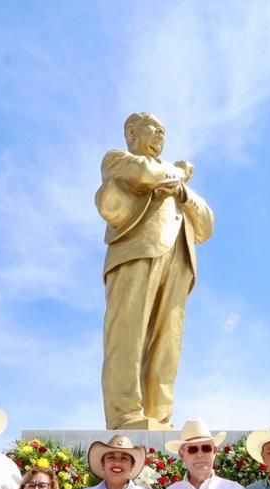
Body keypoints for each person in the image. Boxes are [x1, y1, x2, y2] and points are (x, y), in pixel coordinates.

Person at [96, 112, 214, 430]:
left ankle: (159, 416)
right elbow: (144, 172)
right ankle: (124, 414)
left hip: (179, 258)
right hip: (136, 252)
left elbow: (206, 225)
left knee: (168, 342)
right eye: (154, 128)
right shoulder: (117, 159)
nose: (161, 135)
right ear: (132, 131)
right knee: (127, 333)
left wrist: (181, 191)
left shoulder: (175, 183)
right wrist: (179, 173)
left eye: (164, 131)